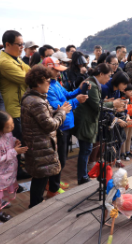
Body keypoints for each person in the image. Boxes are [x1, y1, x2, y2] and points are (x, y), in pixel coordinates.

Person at [21, 65, 70, 208]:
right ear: (38, 82)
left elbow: (44, 117)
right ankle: (35, 207)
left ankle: (36, 204)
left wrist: (58, 111)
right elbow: (50, 125)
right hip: (40, 146)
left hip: (39, 145)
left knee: (40, 177)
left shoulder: (35, 98)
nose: (50, 83)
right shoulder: (36, 101)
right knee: (40, 179)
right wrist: (62, 113)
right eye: (47, 81)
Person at [43, 57, 89, 195]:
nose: (58, 73)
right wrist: (77, 100)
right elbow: (59, 107)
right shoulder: (48, 87)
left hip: (66, 124)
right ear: (47, 69)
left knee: (61, 158)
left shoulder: (55, 83)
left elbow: (67, 95)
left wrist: (80, 89)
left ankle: (54, 182)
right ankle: (53, 187)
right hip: (60, 126)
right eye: (56, 70)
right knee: (59, 159)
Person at [73, 64, 125, 185]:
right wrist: (112, 104)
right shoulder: (92, 84)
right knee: (85, 150)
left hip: (88, 121)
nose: (109, 79)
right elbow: (96, 106)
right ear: (101, 74)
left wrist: (107, 102)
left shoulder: (94, 83)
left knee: (87, 149)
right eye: (108, 76)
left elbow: (97, 102)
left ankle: (83, 175)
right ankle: (82, 177)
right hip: (85, 121)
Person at [0, 30, 31, 181]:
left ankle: (17, 171)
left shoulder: (14, 59)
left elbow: (29, 71)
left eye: (23, 44)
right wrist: (25, 70)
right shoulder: (3, 62)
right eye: (19, 44)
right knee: (14, 142)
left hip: (19, 107)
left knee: (18, 141)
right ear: (7, 44)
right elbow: (27, 78)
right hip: (12, 110)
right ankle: (13, 174)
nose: (22, 47)